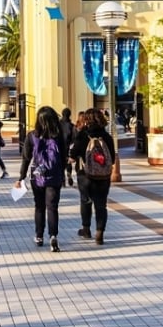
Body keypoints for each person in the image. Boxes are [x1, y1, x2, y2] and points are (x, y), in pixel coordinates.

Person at [16, 106, 68, 252]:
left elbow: (26, 158)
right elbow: (63, 158)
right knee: (52, 207)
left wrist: (21, 177)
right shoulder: (58, 137)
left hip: (37, 177)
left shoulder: (31, 136)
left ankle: (39, 236)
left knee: (39, 206)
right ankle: (53, 236)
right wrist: (61, 173)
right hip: (54, 176)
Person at [70, 108, 116, 245]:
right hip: (103, 176)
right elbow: (112, 158)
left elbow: (73, 154)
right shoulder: (106, 137)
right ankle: (100, 232)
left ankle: (86, 229)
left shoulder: (82, 135)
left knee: (86, 201)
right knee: (101, 204)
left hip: (85, 174)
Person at [60, 107, 76, 187]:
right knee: (68, 162)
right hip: (68, 146)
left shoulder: (58, 125)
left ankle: (62, 179)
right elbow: (74, 138)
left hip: (59, 147)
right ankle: (69, 174)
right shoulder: (72, 126)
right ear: (69, 115)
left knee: (61, 163)